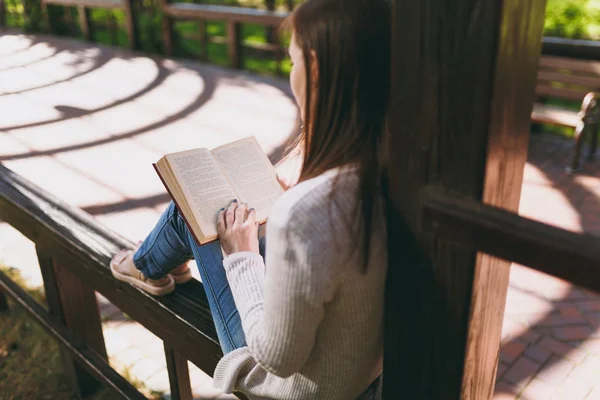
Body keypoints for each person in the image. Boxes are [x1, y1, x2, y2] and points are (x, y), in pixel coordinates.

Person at [110, 0, 389, 398]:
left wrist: (241, 256)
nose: (291, 75)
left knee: (193, 212)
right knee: (238, 218)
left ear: (316, 72)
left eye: (292, 63)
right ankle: (155, 263)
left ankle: (145, 266)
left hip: (300, 387)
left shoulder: (313, 209)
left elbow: (277, 356)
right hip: (356, 373)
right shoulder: (396, 169)